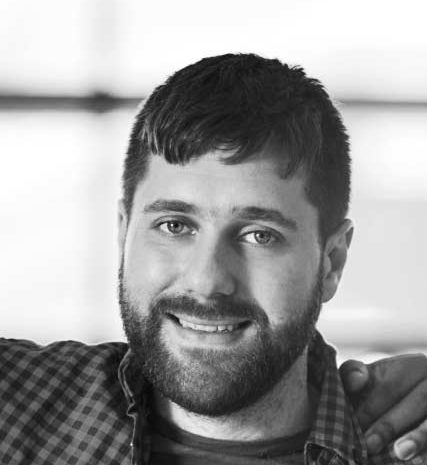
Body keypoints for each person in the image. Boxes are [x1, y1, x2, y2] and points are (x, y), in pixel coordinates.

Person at [1, 53, 426, 465]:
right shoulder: (15, 402)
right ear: (123, 234)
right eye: (174, 225)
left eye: (260, 235)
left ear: (332, 261)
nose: (207, 281)